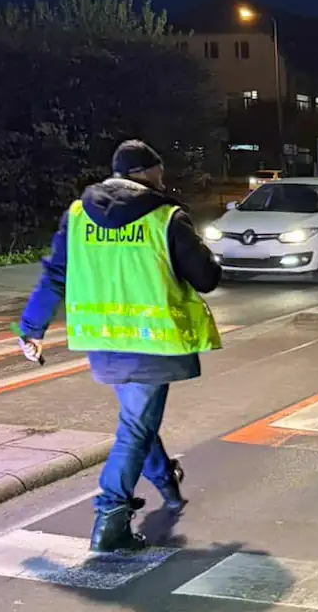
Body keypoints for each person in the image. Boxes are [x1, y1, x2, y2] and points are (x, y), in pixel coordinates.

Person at [15, 140, 223, 553]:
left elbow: (55, 274)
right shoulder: (165, 217)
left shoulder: (77, 216)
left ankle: (168, 483)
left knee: (138, 420)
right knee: (134, 427)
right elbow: (205, 278)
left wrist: (30, 328)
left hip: (103, 338)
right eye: (159, 172)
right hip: (151, 340)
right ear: (147, 173)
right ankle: (110, 516)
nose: (162, 179)